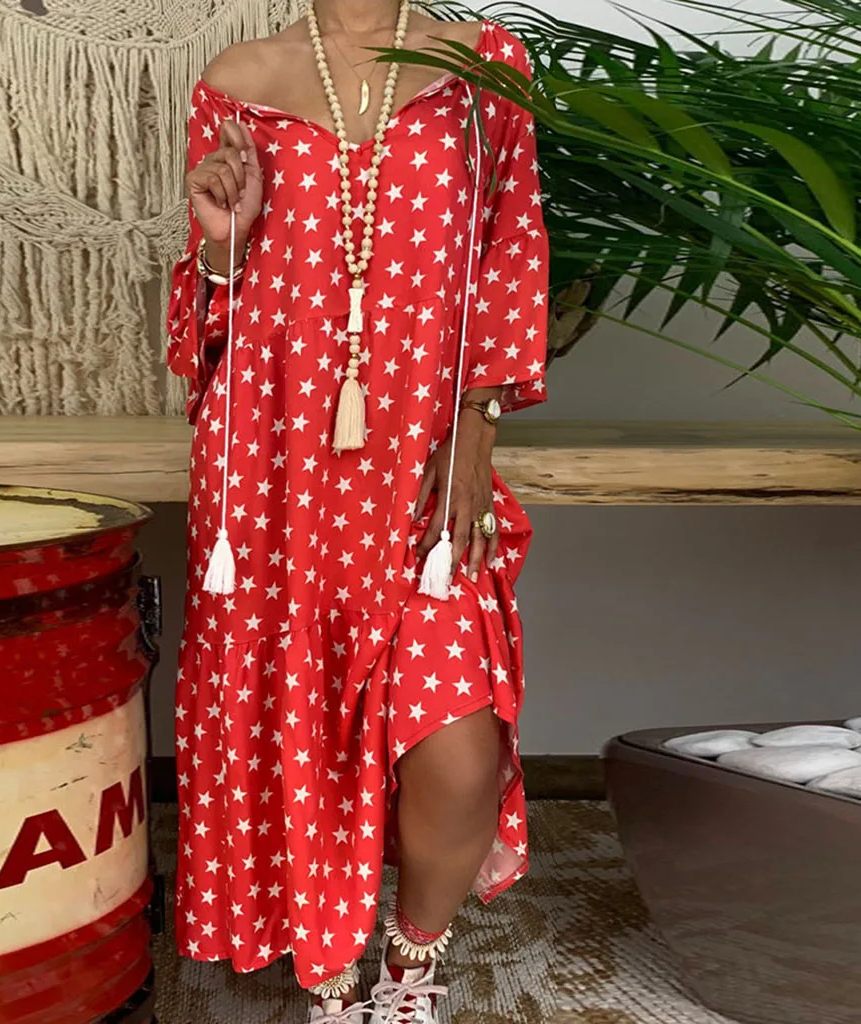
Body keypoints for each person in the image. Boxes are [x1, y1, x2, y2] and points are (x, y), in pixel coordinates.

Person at [166, 1, 548, 1021]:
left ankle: (409, 969)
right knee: (292, 718)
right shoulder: (239, 77)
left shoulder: (484, 68)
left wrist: (475, 431)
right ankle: (329, 978)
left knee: (458, 751)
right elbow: (210, 313)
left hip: (421, 455)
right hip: (273, 467)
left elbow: (512, 250)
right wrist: (220, 242)